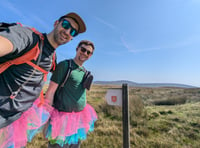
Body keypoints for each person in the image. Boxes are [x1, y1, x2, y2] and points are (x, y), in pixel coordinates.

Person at [0, 12, 86, 148]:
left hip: (14, 125)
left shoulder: (52, 59)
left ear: (71, 39)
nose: (68, 31)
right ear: (56, 23)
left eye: (73, 32)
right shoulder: (29, 37)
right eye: (66, 25)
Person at [44, 40, 98, 148]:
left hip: (78, 120)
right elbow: (50, 92)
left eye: (88, 52)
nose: (85, 53)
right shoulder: (65, 66)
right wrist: (46, 120)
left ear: (90, 55)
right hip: (61, 119)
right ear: (77, 48)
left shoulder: (85, 72)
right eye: (83, 49)